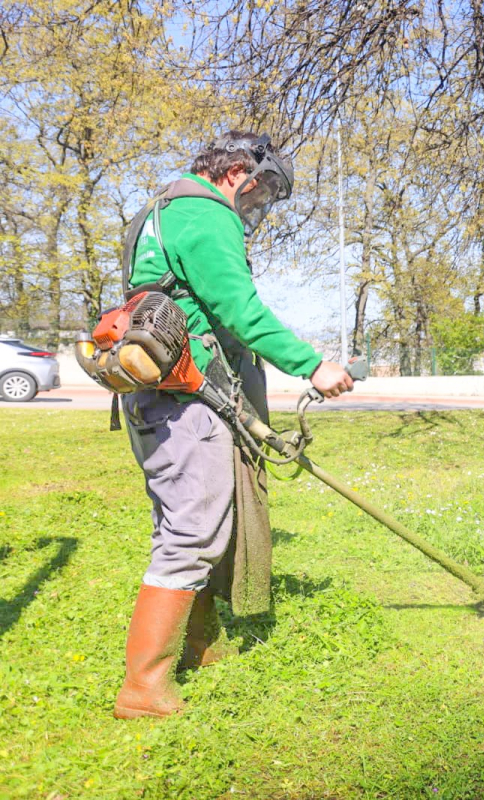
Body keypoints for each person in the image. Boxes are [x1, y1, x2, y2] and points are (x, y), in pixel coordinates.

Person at [113, 132, 354, 719]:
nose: (260, 201)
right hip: (187, 398)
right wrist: (313, 365)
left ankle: (199, 645)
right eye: (262, 187)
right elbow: (239, 310)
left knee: (183, 524)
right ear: (237, 170)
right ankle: (143, 689)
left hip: (161, 395)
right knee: (192, 533)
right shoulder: (204, 212)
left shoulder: (162, 209)